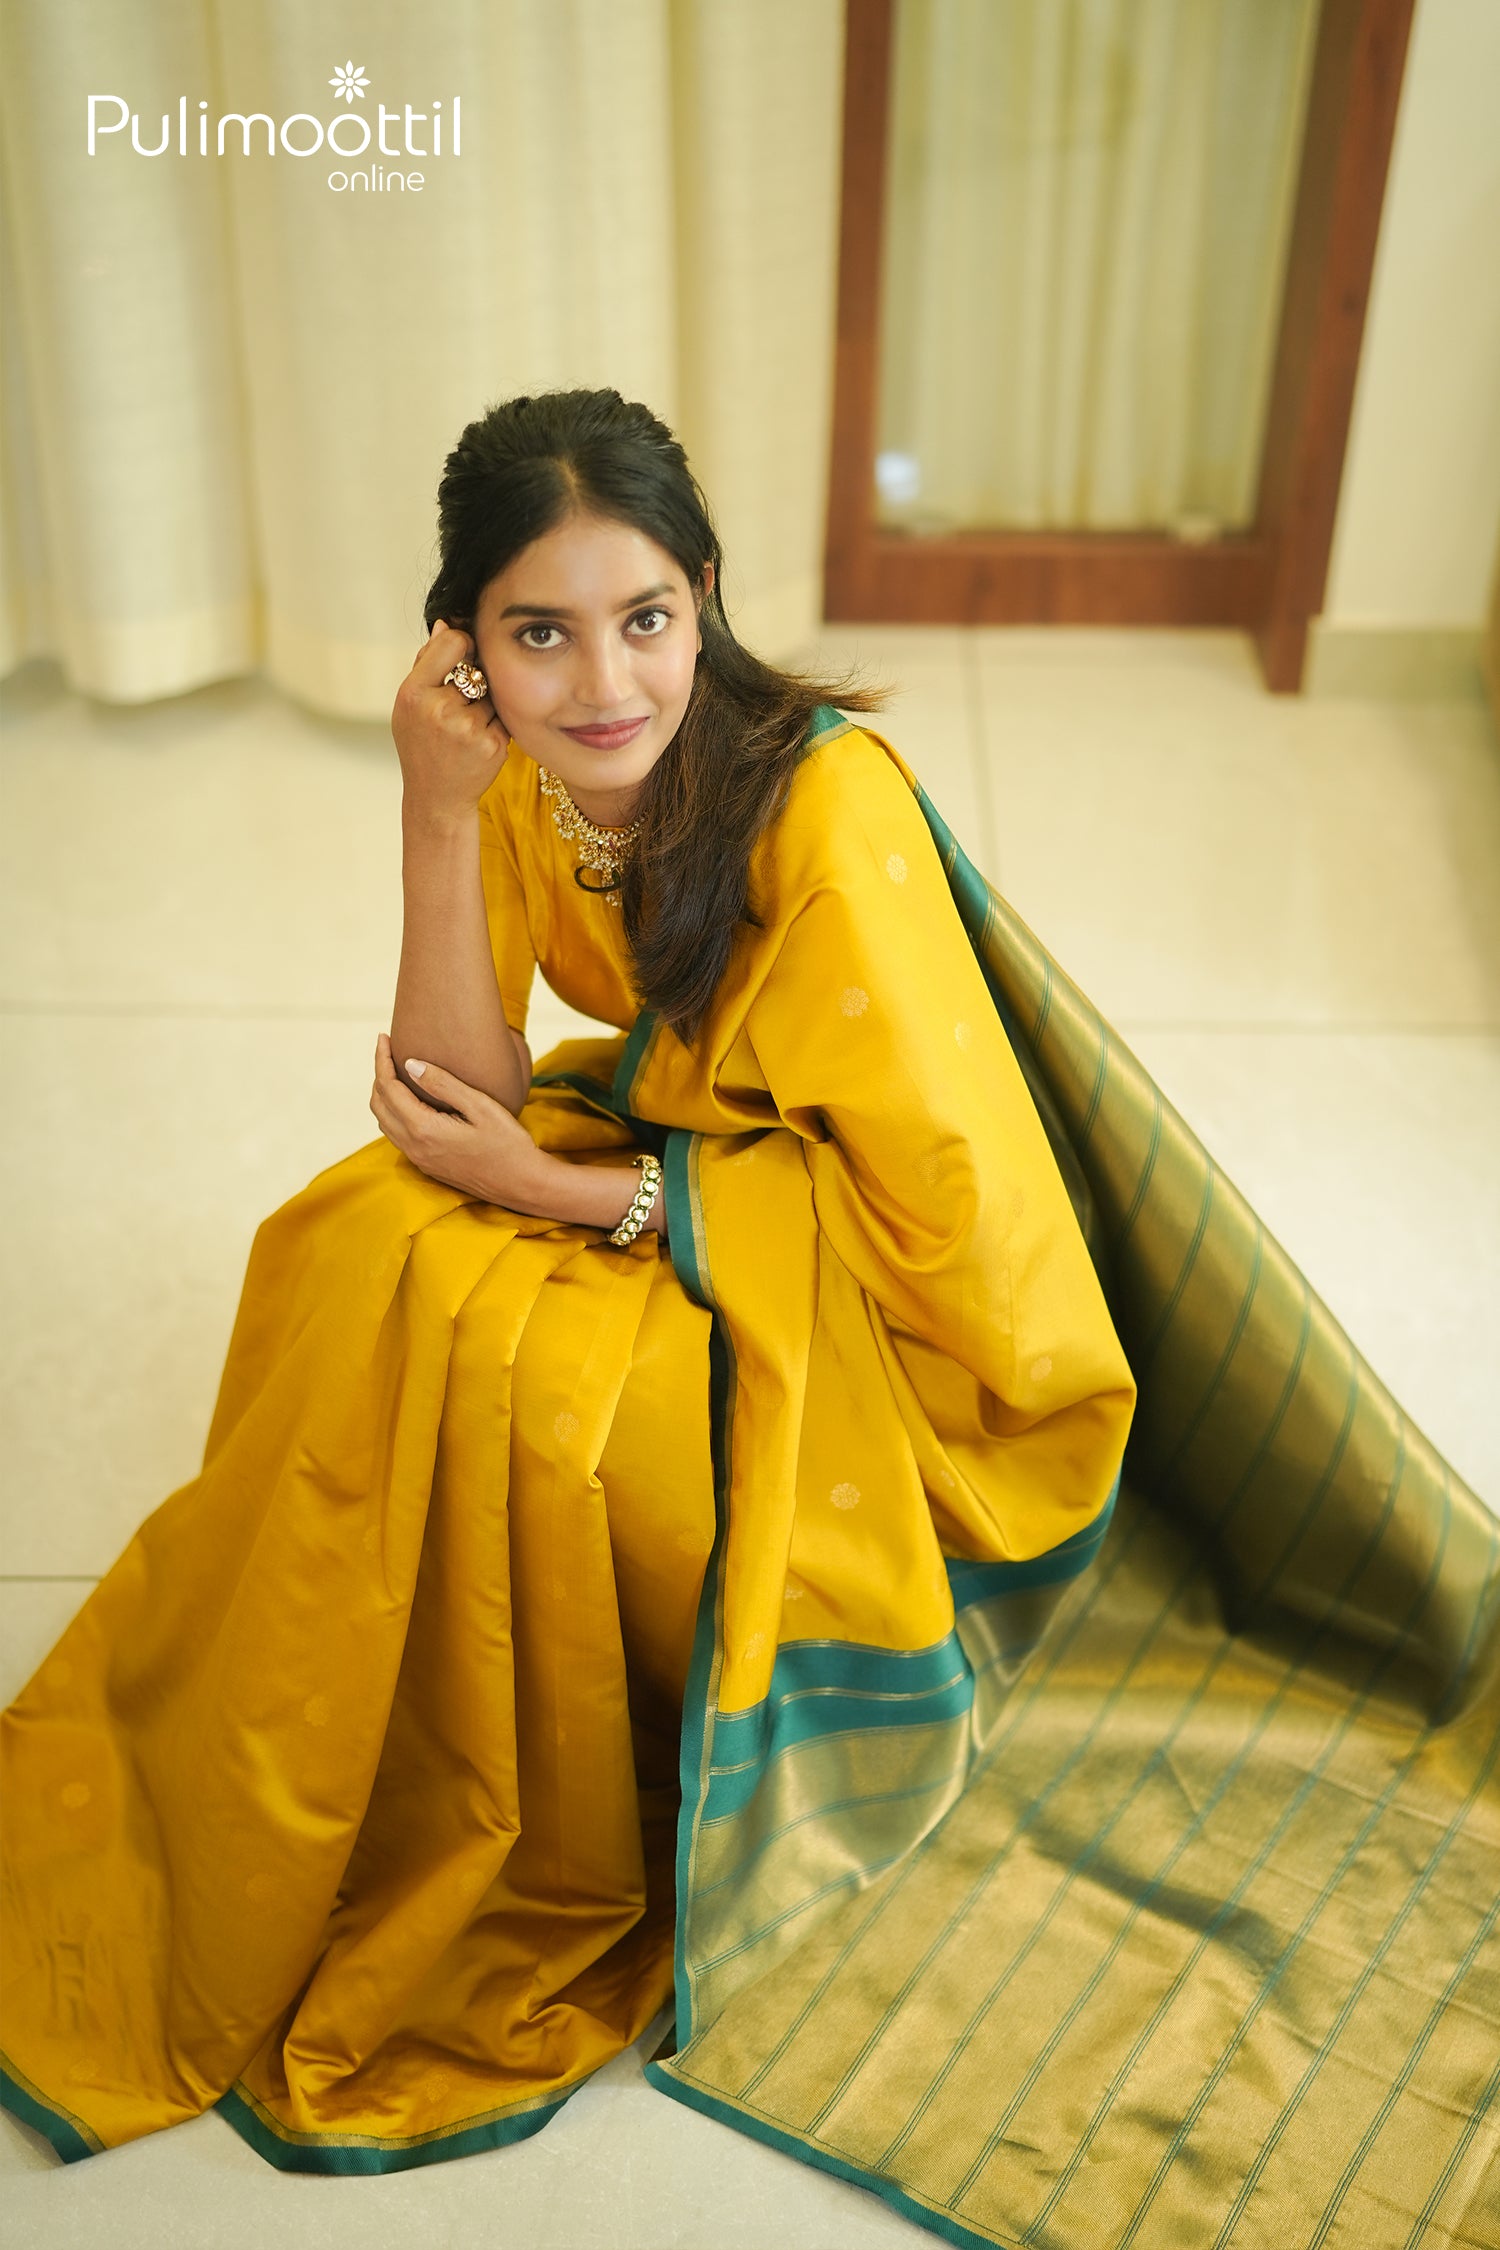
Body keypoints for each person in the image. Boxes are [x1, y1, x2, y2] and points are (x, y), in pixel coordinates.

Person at [2, 391, 1495, 2250]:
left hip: (887, 1316)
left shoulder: (824, 804)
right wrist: (435, 806)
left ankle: (524, 1773)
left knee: (561, 1405)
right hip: (685, 1158)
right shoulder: (525, 777)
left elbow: (943, 1220)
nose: (604, 679)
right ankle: (347, 1741)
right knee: (353, 1242)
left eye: (645, 617)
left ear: (707, 599)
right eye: (537, 632)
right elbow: (451, 1095)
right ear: (460, 645)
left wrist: (587, 1197)